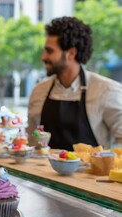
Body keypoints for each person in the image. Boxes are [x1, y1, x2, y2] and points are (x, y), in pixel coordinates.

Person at [28, 16, 122, 150]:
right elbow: (31, 142)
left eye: (49, 51)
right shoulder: (39, 91)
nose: (43, 57)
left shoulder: (107, 91)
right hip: (41, 171)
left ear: (71, 53)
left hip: (90, 171)